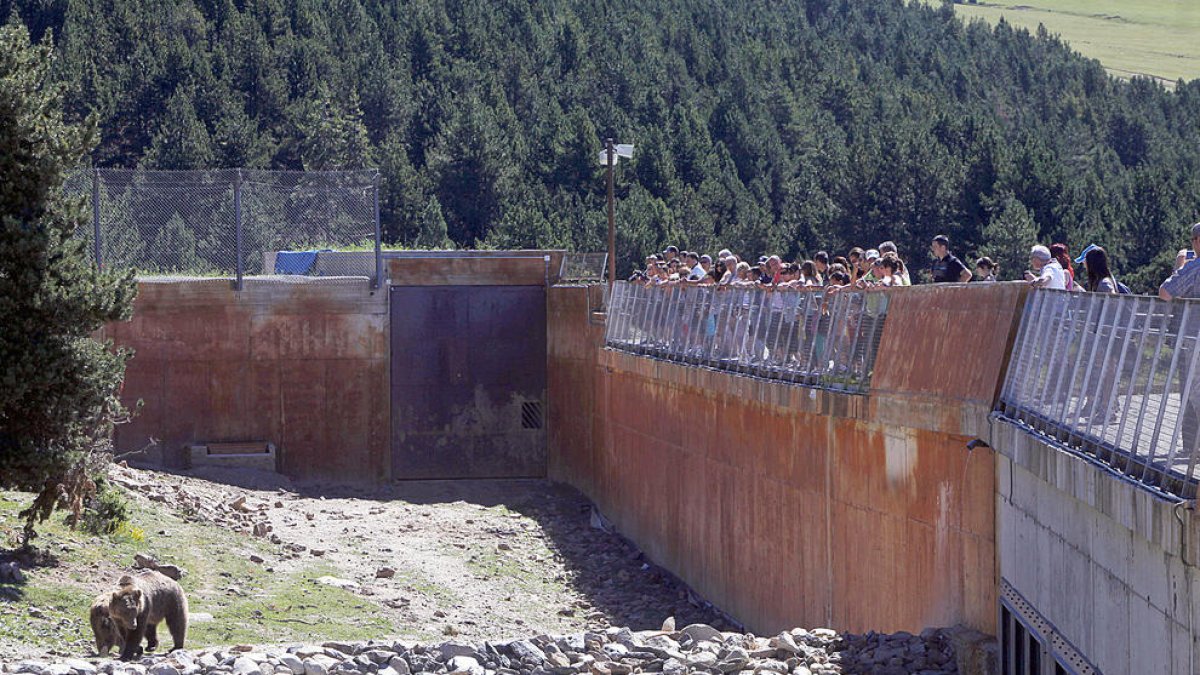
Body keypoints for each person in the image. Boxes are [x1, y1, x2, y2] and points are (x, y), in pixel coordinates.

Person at [1158, 223, 1200, 456]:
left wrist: (1180, 268)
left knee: (1196, 389)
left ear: (1197, 241)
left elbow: (1165, 292)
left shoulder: (1194, 268)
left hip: (1196, 335)